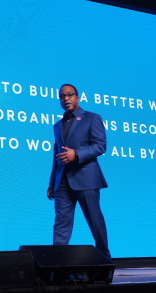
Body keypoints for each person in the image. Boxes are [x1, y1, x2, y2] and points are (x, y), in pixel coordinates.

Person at [47, 84, 111, 258]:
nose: (66, 98)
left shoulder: (92, 118)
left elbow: (100, 146)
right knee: (61, 223)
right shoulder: (57, 125)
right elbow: (56, 155)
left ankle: (105, 258)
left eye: (70, 95)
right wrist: (52, 182)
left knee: (95, 221)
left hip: (86, 178)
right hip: (62, 182)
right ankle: (57, 263)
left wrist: (77, 154)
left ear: (78, 97)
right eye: (62, 96)